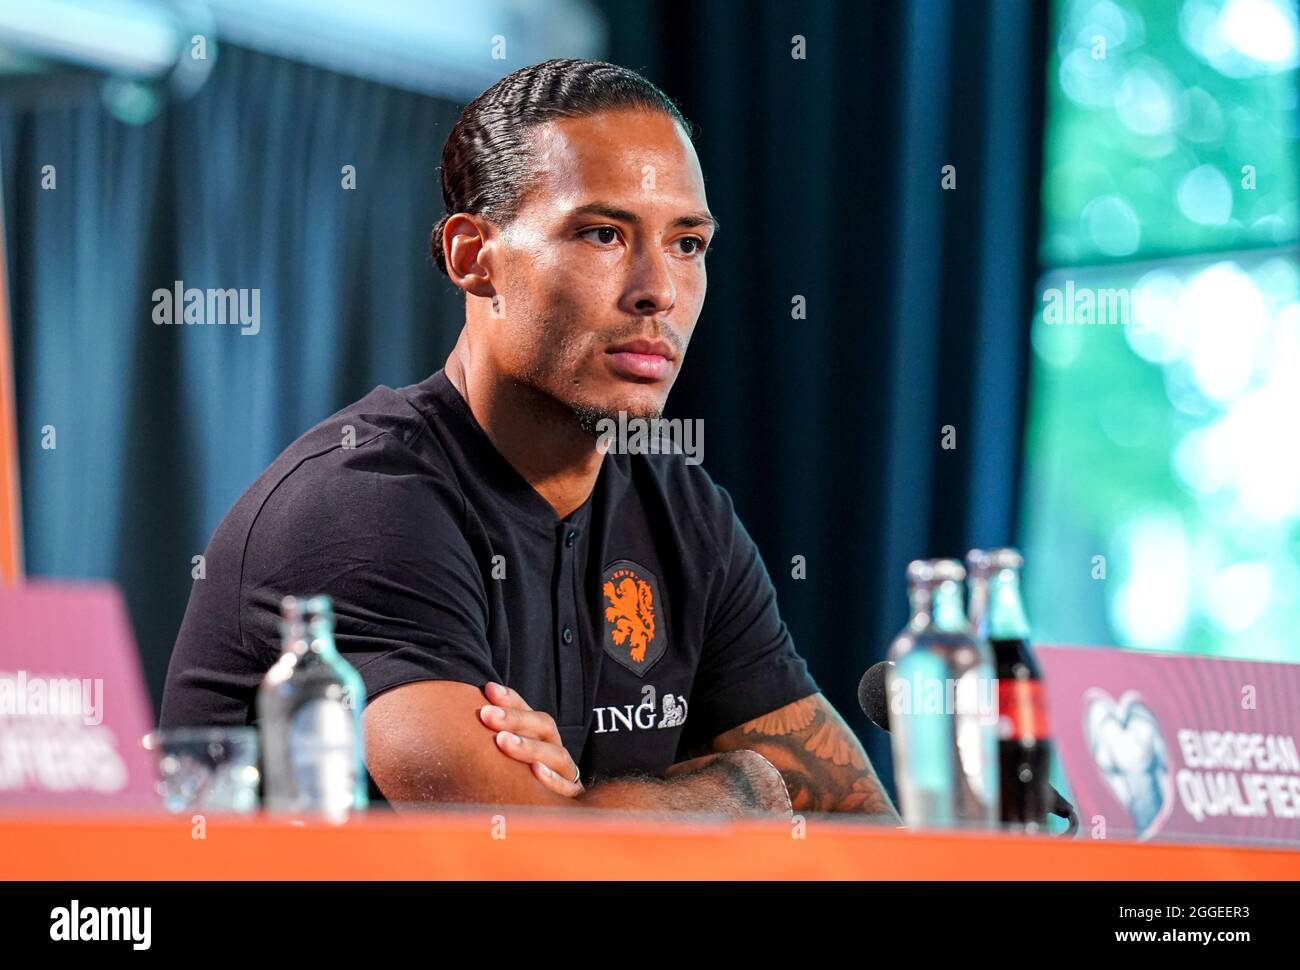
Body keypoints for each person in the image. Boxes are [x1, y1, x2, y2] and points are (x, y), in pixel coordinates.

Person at [160, 58, 897, 820]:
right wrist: (737, 789)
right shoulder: (363, 503)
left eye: (688, 244)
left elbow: (870, 839)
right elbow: (523, 855)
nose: (658, 290)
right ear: (471, 257)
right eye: (603, 233)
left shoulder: (683, 512)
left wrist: (598, 812)